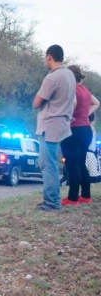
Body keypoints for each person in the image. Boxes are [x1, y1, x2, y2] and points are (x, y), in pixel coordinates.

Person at [33, 45, 76, 211]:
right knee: (50, 162)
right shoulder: (70, 75)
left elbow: (37, 102)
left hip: (49, 124)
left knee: (47, 164)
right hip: (62, 123)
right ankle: (51, 200)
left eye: (45, 58)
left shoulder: (53, 77)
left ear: (49, 56)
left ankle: (52, 202)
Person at [59, 65, 99, 206]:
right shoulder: (84, 90)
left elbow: (73, 102)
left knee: (72, 164)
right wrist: (84, 114)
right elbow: (96, 103)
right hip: (85, 130)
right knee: (81, 163)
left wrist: (68, 116)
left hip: (73, 130)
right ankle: (86, 196)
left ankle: (72, 198)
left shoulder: (72, 89)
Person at [86, 113, 100, 184]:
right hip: (92, 154)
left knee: (90, 173)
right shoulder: (91, 127)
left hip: (88, 155)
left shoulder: (88, 127)